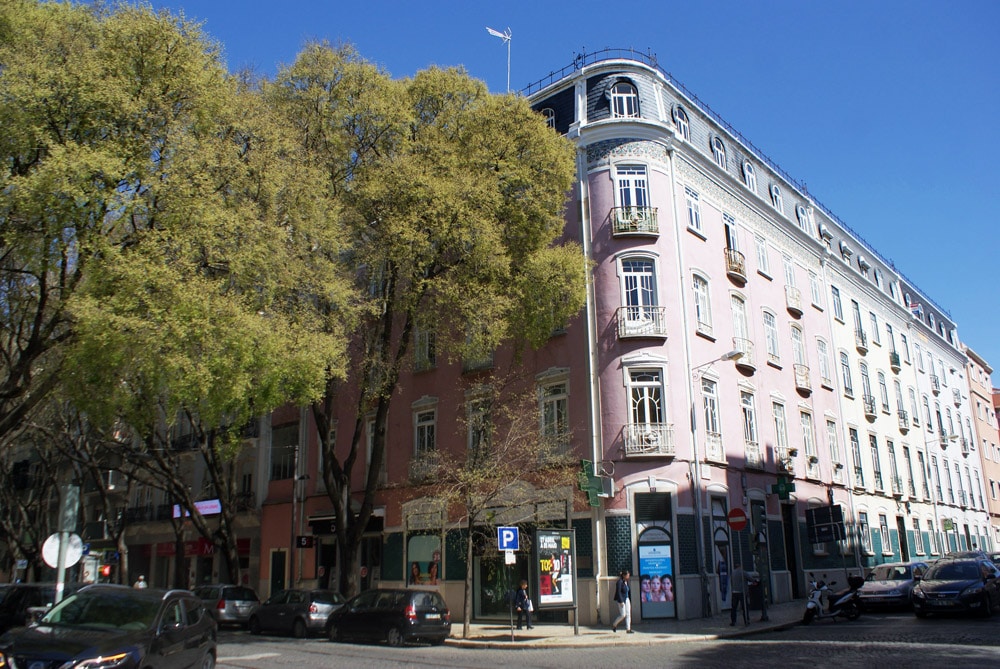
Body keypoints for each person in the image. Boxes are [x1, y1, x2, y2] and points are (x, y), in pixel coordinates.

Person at [730, 559, 758, 626]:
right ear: (740, 566)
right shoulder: (743, 572)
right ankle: (746, 620)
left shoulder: (733, 573)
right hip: (742, 592)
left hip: (734, 592)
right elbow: (751, 579)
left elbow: (731, 582)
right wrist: (755, 581)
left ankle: (733, 621)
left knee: (734, 607)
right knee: (744, 607)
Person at [611, 569, 633, 633]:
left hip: (627, 599)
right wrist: (621, 601)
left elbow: (628, 591)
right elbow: (618, 592)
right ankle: (614, 624)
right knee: (623, 615)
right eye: (627, 575)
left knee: (628, 614)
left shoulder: (626, 582)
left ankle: (628, 629)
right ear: (624, 575)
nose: (628, 577)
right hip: (622, 600)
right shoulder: (619, 582)